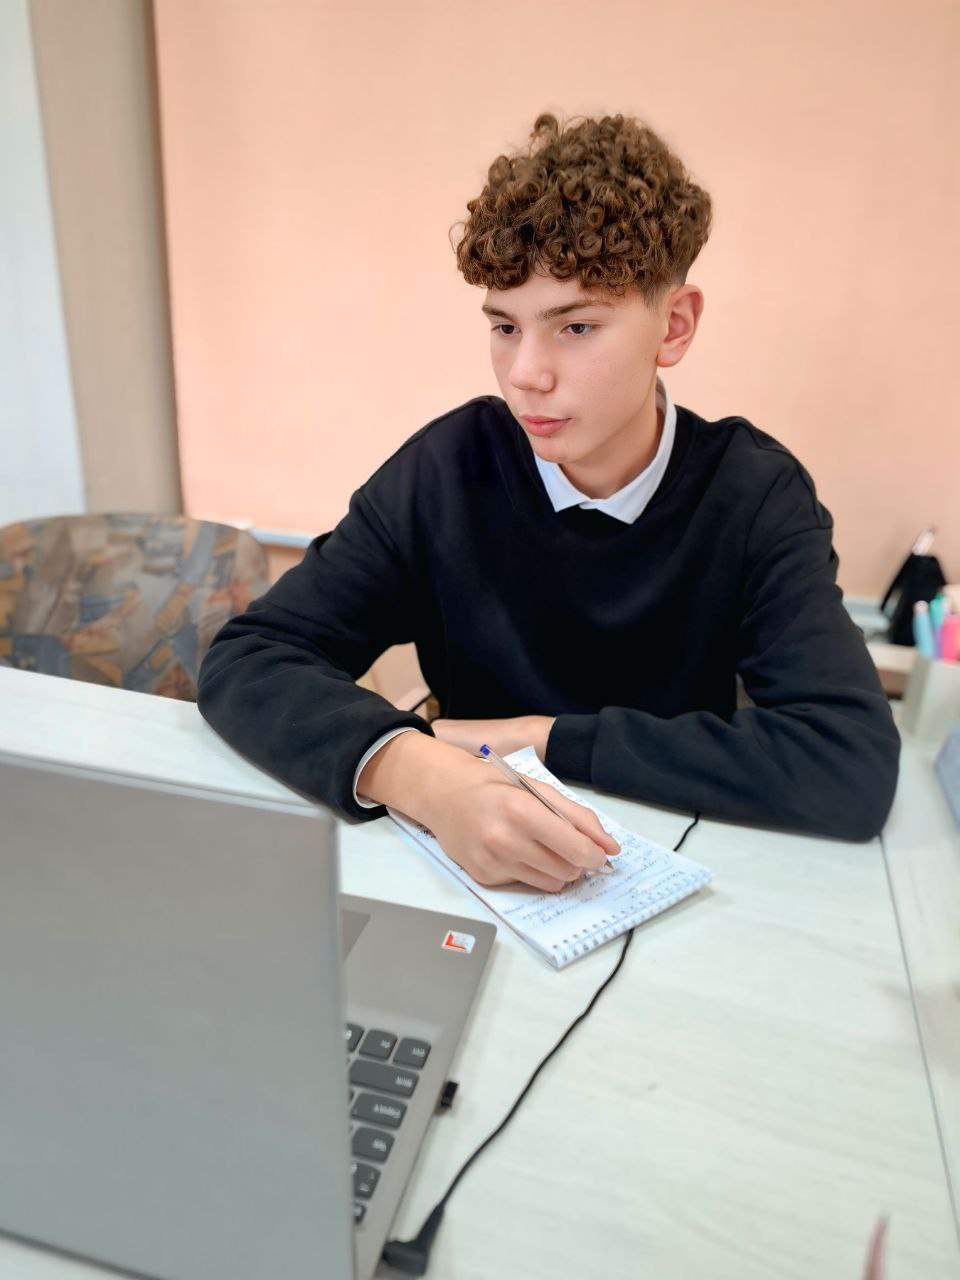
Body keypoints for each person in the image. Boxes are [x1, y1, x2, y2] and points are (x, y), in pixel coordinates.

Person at [197, 112, 900, 892]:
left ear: (673, 326)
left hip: (675, 869)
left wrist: (540, 739)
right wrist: (422, 774)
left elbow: (848, 761)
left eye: (576, 326)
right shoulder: (448, 469)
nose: (526, 374)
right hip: (472, 870)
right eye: (505, 327)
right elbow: (251, 659)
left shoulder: (754, 495)